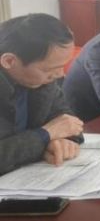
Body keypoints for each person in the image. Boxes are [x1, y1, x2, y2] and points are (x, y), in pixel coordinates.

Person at [0, 14, 84, 175]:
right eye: (50, 69)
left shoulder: (42, 81)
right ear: (9, 61)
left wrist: (60, 142)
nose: (60, 74)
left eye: (62, 66)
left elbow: (67, 122)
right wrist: (45, 135)